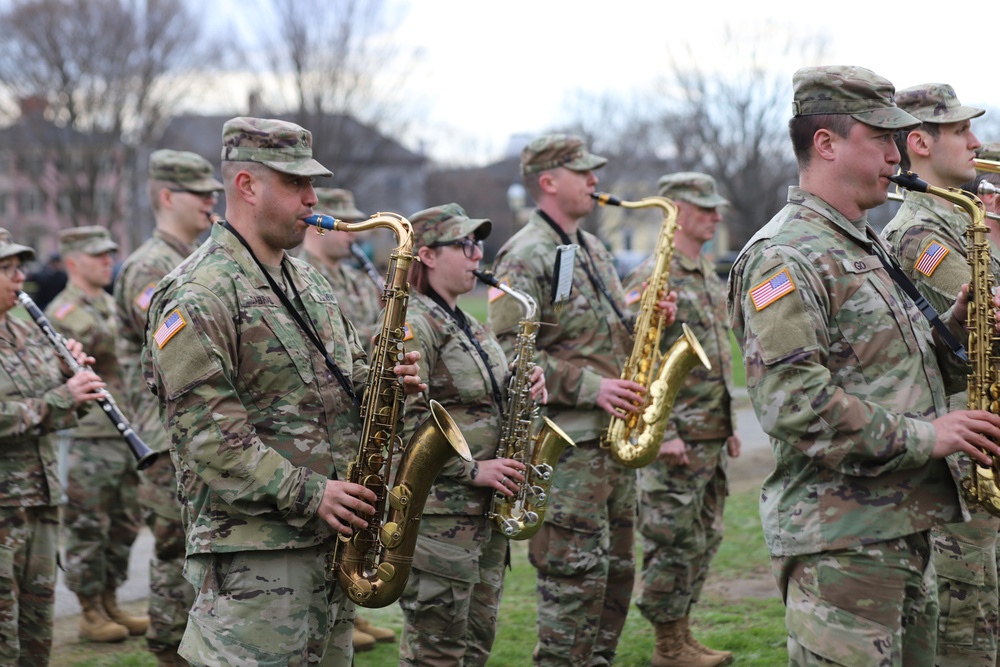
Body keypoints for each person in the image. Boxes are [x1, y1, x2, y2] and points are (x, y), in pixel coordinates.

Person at [727, 64, 1000, 666]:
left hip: (901, 532)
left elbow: (890, 372)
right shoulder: (785, 255)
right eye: (880, 137)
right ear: (825, 144)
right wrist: (930, 435)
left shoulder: (861, 240)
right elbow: (794, 403)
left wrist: (956, 333)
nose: (895, 152)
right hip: (842, 548)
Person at [142, 116, 426, 667]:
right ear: (247, 185)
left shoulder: (308, 280)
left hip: (334, 545)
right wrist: (313, 494)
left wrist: (387, 383)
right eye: (296, 183)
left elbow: (341, 389)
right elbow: (210, 442)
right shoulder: (197, 293)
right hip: (259, 561)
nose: (313, 197)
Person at [488, 134, 676, 666]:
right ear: (549, 182)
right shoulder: (523, 254)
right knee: (574, 579)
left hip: (609, 445)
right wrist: (596, 388)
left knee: (616, 574)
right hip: (568, 448)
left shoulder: (591, 247)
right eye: (583, 173)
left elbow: (599, 333)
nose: (596, 181)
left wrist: (647, 318)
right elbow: (507, 353)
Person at [880, 83, 998, 667]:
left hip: (980, 433)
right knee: (966, 618)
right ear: (920, 143)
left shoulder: (961, 218)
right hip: (961, 448)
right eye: (961, 132)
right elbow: (986, 322)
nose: (977, 143)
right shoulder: (920, 233)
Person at [397, 202, 545, 665]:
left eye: (478, 244)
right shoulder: (412, 323)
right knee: (436, 654)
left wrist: (526, 380)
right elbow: (403, 423)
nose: (477, 255)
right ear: (427, 255)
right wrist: (471, 469)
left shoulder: (467, 320)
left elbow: (484, 398)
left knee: (475, 647)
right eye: (464, 245)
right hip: (441, 520)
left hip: (482, 517)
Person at [623, 173, 739, 667]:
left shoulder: (705, 269)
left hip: (709, 430)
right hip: (676, 433)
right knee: (671, 540)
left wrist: (730, 425)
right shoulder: (655, 275)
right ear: (675, 209)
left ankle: (683, 633)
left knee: (704, 536)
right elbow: (638, 357)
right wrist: (660, 431)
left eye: (717, 207)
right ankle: (667, 647)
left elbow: (716, 354)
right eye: (705, 207)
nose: (716, 215)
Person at [113, 148, 222, 665]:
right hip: (163, 441)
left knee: (197, 551)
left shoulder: (190, 259)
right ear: (166, 196)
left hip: (187, 437)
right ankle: (169, 651)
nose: (211, 203)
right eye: (201, 194)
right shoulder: (149, 268)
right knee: (175, 552)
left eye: (213, 193)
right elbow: (180, 350)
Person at [0, 228, 105, 664]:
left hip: (39, 503)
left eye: (19, 267)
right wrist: (62, 397)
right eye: (5, 270)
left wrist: (74, 382)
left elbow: (56, 407)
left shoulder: (25, 326)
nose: (19, 278)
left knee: (37, 632)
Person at [298, 186, 392, 652]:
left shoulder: (347, 279)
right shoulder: (304, 275)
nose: (355, 233)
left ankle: (349, 611)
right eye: (347, 220)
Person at [44, 226, 148, 644]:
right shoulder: (61, 313)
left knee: (125, 522)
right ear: (73, 262)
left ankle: (110, 598)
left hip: (125, 431)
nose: (108, 261)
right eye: (97, 256)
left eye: (110, 254)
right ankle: (88, 609)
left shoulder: (109, 302)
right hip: (89, 435)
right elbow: (97, 347)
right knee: (89, 524)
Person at [298, 188, 382, 353]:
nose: (352, 233)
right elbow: (321, 345)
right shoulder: (296, 278)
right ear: (317, 224)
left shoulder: (360, 279)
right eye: (343, 223)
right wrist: (382, 333)